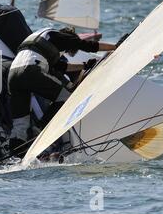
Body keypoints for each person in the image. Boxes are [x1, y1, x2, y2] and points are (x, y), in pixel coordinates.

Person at [7, 27, 117, 157]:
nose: (65, 52)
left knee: (20, 124)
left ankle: (14, 156)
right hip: (30, 71)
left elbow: (61, 67)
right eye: (67, 50)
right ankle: (39, 132)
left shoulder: (44, 39)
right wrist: (115, 47)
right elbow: (87, 45)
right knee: (66, 99)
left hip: (13, 76)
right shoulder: (62, 37)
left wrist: (84, 66)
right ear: (70, 37)